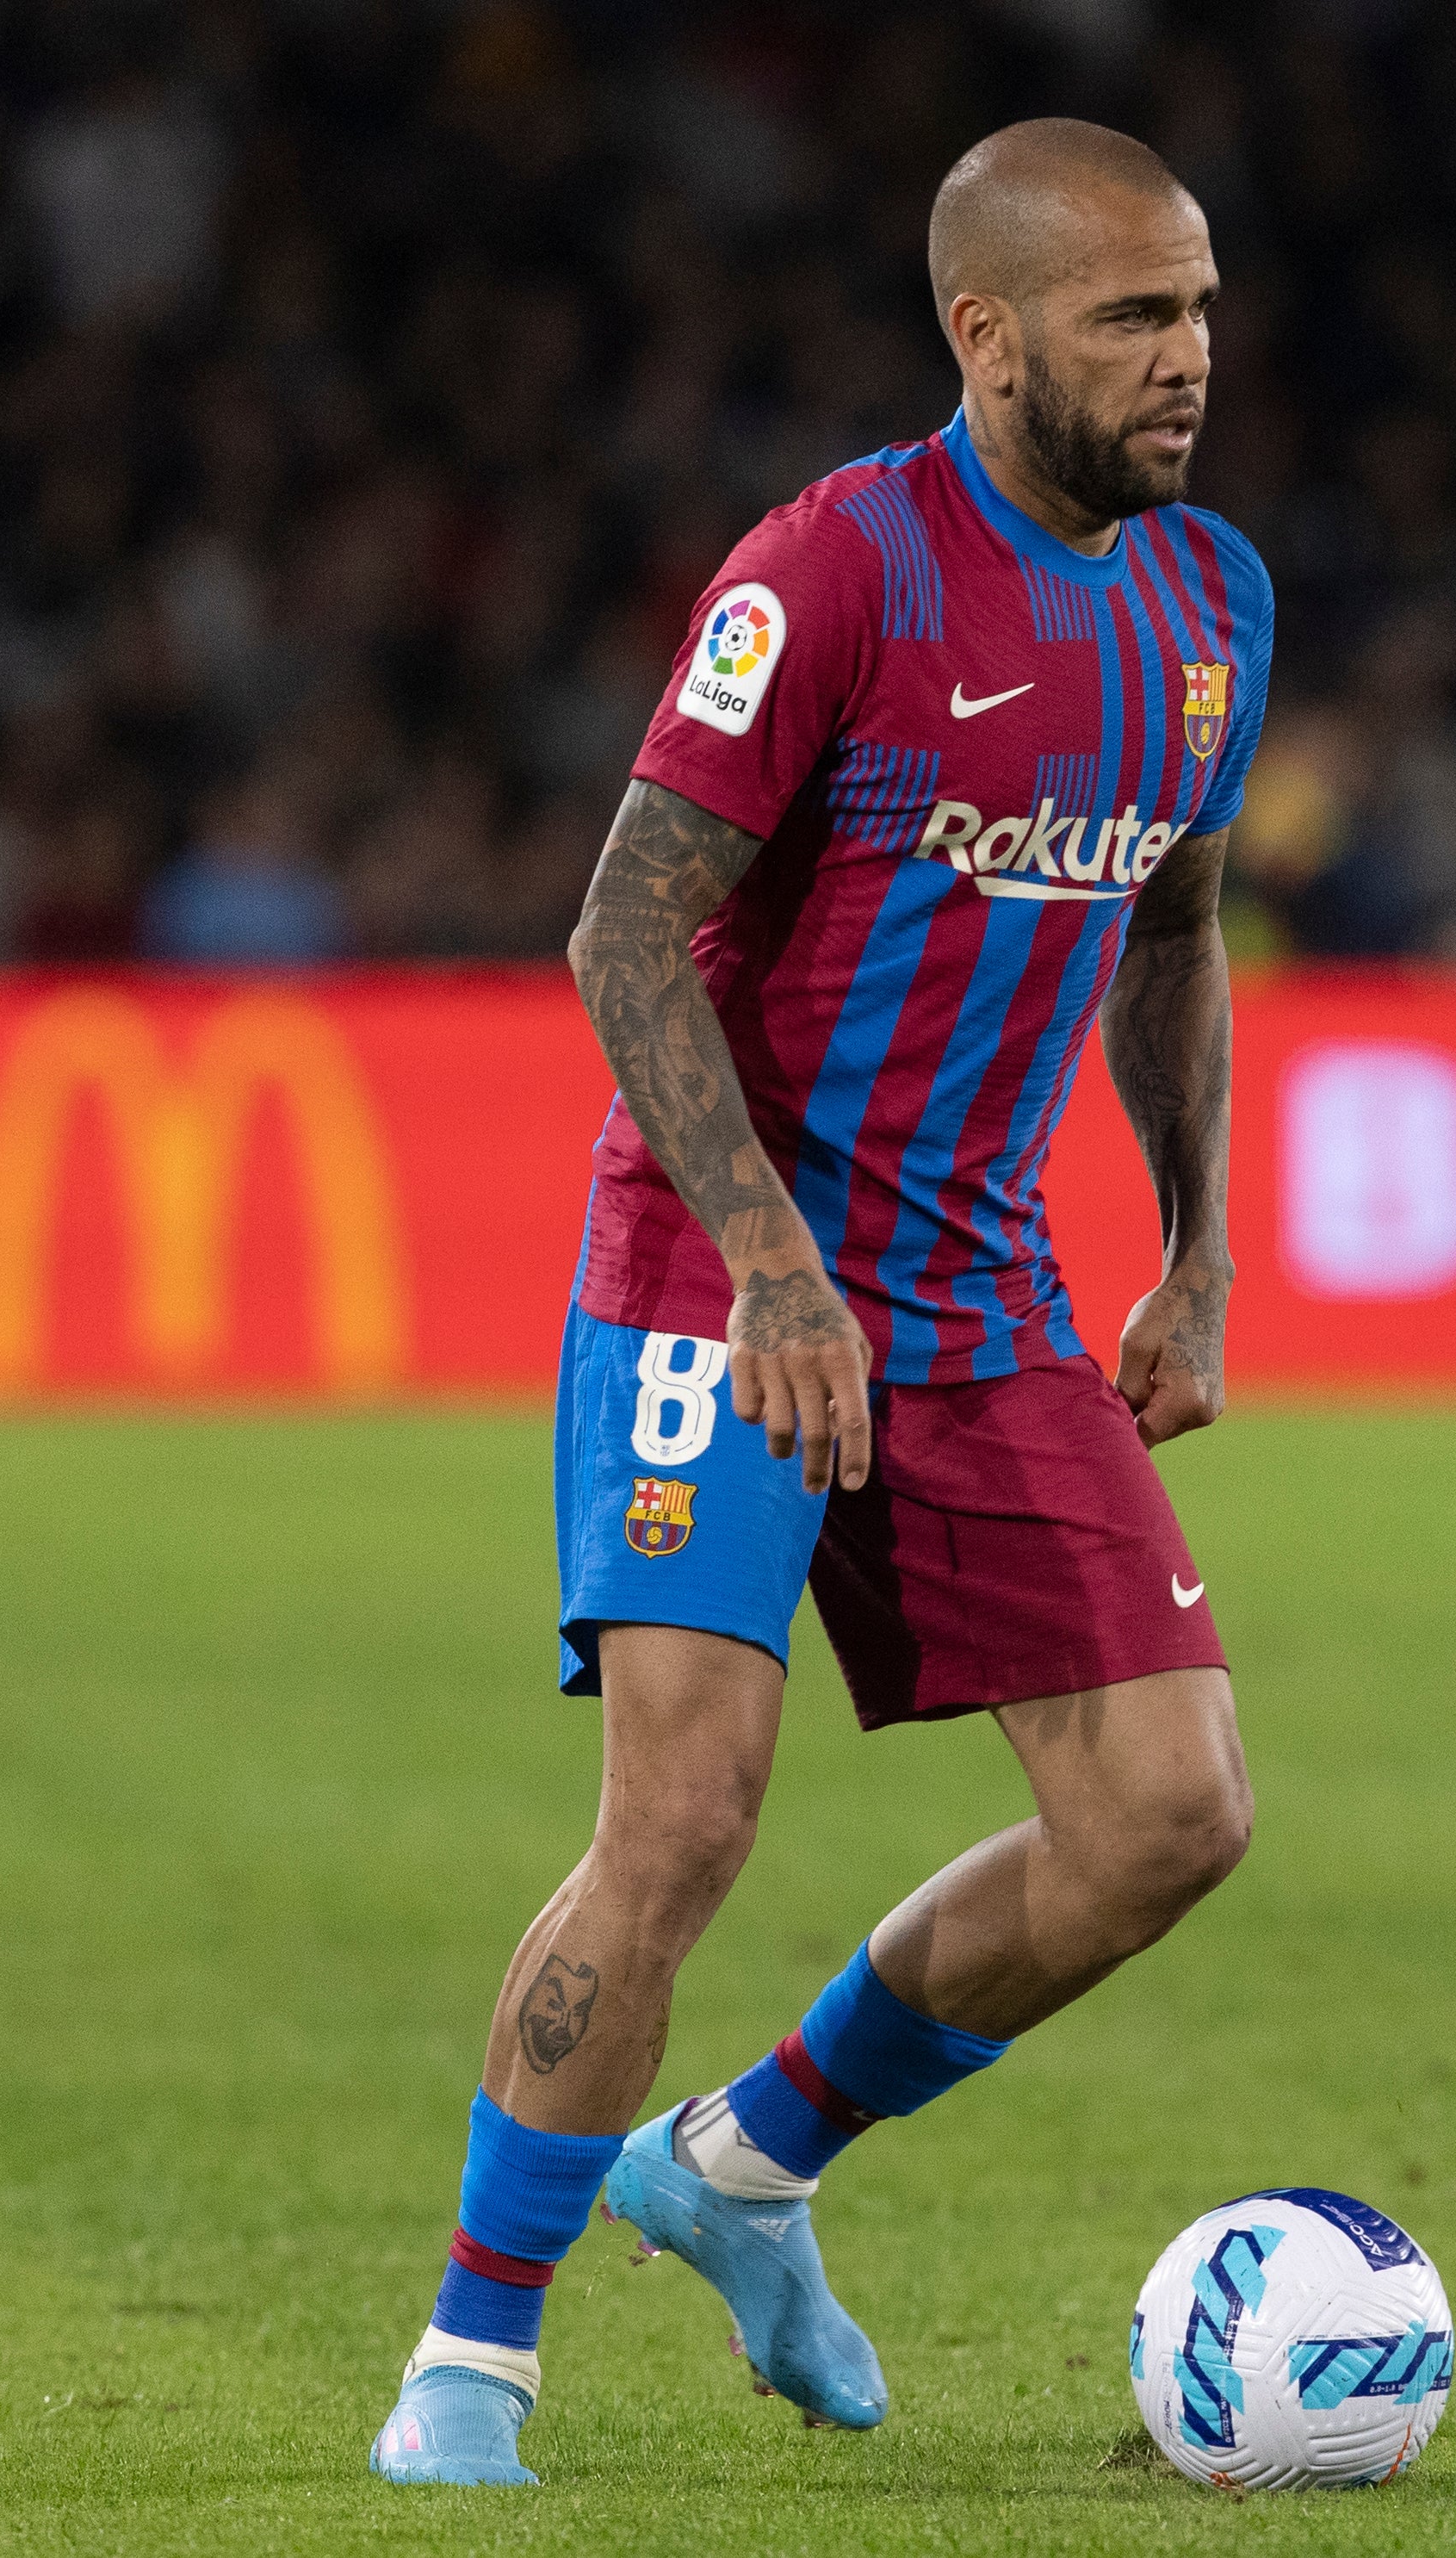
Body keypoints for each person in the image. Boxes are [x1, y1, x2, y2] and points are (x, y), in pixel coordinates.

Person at [371, 119, 1272, 2488]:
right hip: (721, 1261)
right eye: (1128, 318)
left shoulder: (1211, 607)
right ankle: (471, 2362)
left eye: (1195, 309)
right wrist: (774, 1261)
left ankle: (744, 2164)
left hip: (982, 1282)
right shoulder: (837, 571)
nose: (1185, 359)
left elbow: (1167, 927)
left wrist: (1192, 1242)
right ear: (985, 337)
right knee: (682, 1815)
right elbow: (621, 924)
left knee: (1170, 1815)